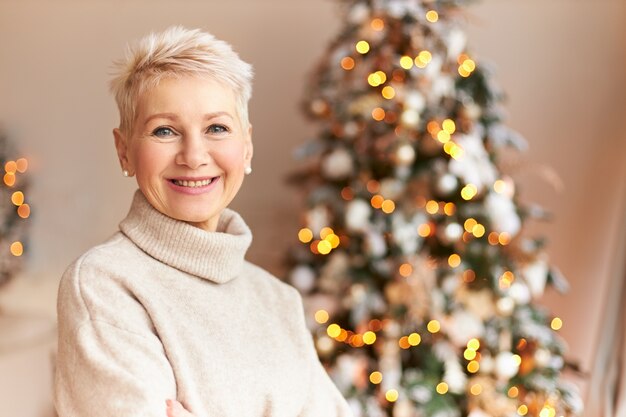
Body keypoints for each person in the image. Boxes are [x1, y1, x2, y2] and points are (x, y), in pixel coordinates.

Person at [54, 26, 353, 417]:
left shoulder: (278, 300)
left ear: (246, 147)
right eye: (164, 130)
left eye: (217, 128)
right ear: (124, 151)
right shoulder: (103, 285)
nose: (194, 156)